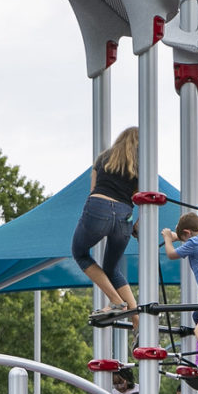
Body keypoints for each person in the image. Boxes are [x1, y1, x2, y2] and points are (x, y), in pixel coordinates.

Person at [71, 126, 141, 313]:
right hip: (124, 214)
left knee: (80, 252)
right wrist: (138, 224)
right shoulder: (141, 164)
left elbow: (93, 189)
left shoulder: (103, 157)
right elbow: (145, 196)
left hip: (98, 207)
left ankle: (116, 301)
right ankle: (137, 321)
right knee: (112, 268)